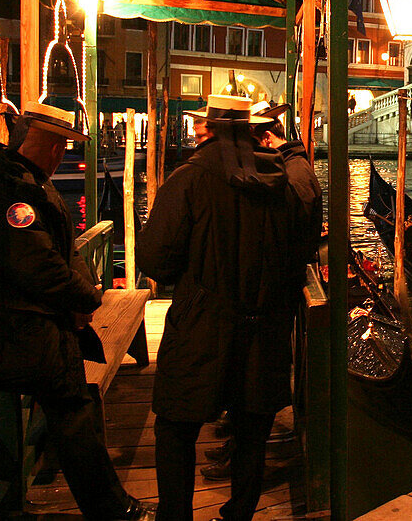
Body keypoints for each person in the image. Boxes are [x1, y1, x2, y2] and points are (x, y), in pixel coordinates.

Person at [0, 102, 149, 520]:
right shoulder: (7, 194)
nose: (62, 153)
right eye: (57, 144)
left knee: (76, 413)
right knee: (76, 416)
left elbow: (61, 250)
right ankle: (114, 511)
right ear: (34, 139)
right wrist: (88, 299)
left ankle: (107, 507)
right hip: (25, 331)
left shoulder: (16, 182)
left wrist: (84, 292)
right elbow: (40, 266)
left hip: (36, 326)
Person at [137, 95, 317, 521]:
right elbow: (306, 242)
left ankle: (176, 515)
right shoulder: (285, 180)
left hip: (202, 325)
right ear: (251, 129)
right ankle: (238, 515)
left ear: (212, 128)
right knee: (252, 429)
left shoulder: (188, 178)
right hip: (264, 328)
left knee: (175, 428)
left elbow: (155, 260)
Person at [200, 101, 322, 481]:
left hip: (274, 295)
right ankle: (237, 447)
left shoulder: (295, 173)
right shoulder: (291, 165)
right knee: (248, 381)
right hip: (268, 292)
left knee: (255, 384)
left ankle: (243, 460)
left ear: (266, 137)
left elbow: (293, 235)